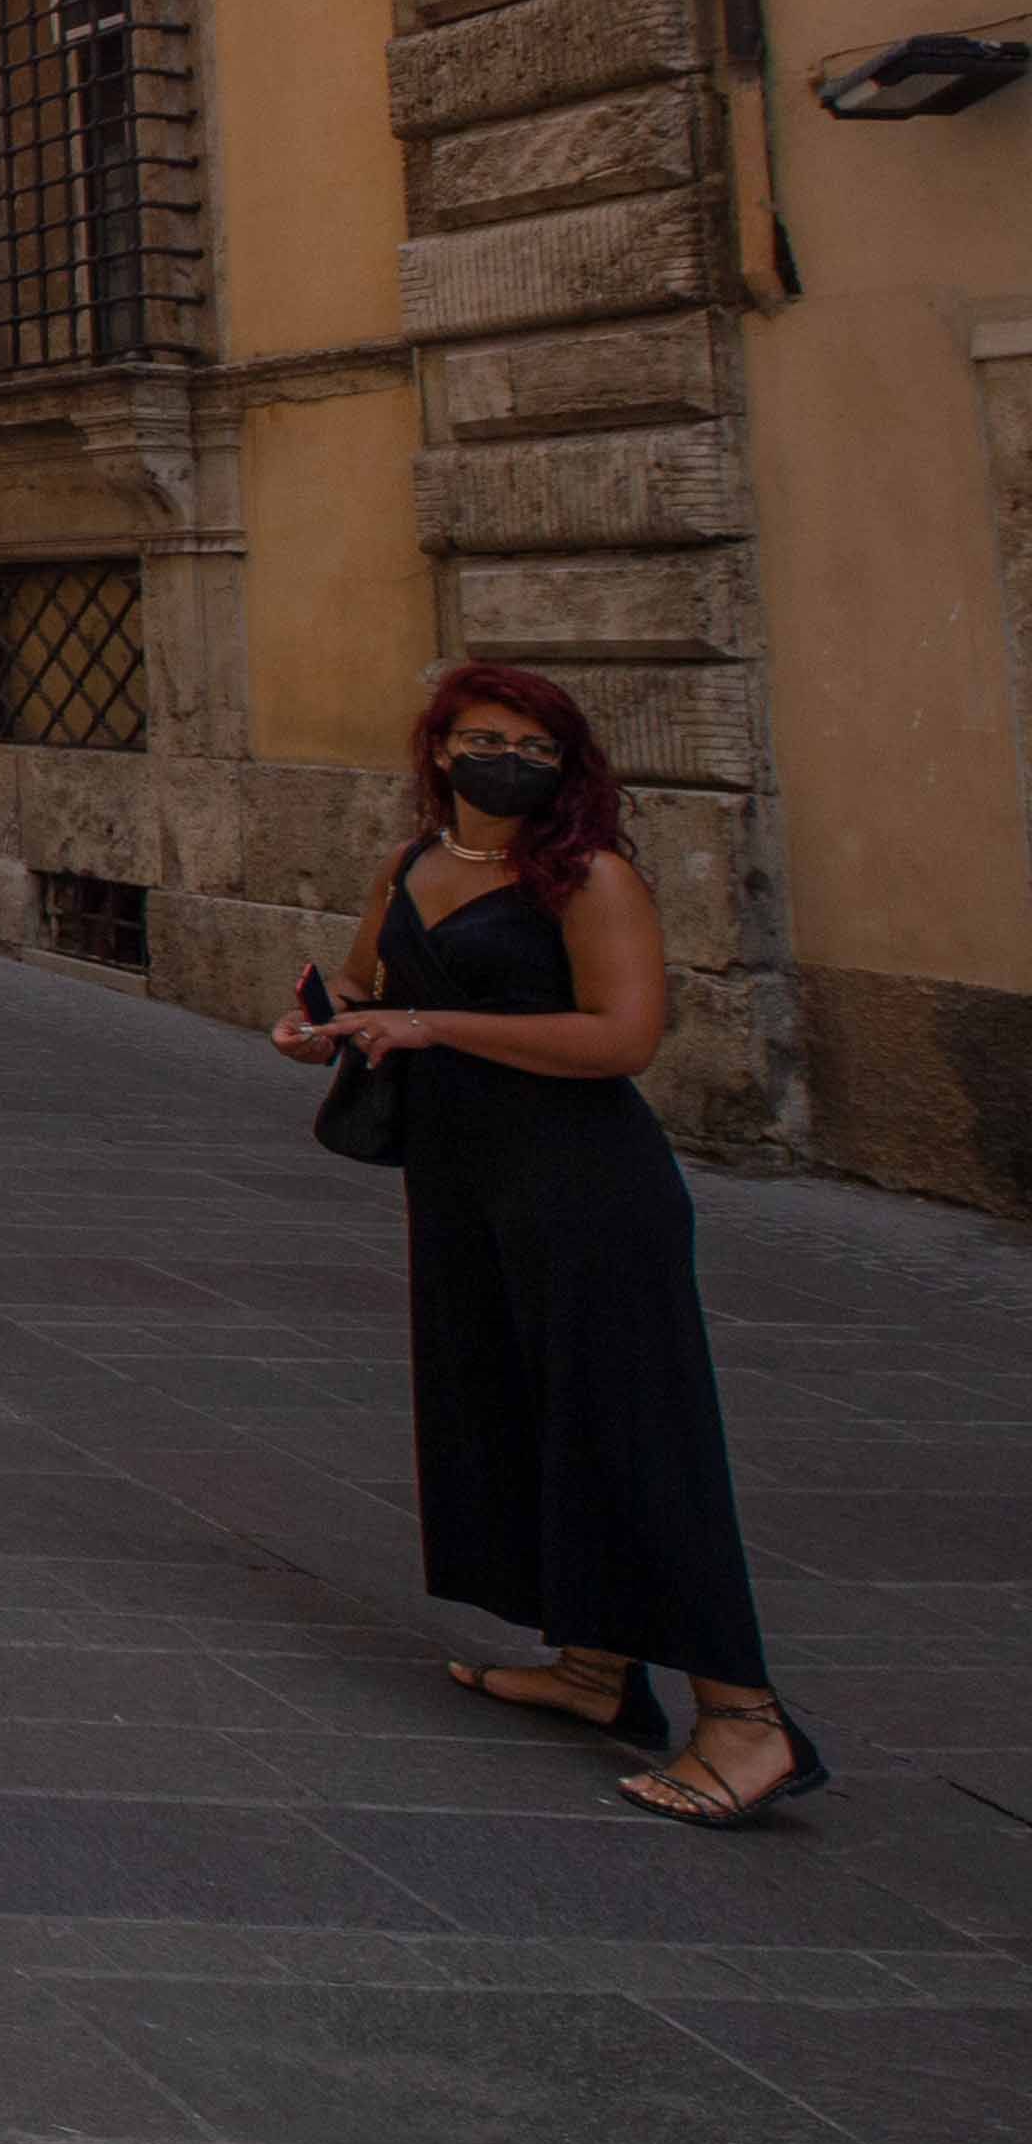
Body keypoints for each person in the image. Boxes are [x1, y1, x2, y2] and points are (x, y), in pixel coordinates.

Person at [271, 661, 817, 1832]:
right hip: (463, 1187)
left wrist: (430, 1024)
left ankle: (744, 1718)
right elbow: (363, 978)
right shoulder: (411, 865)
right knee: (517, 1413)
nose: (504, 760)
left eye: (531, 746)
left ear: (565, 767)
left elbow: (621, 1039)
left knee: (633, 1431)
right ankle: (590, 1665)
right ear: (437, 749)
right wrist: (322, 1024)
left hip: (584, 1187)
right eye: (481, 738)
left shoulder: (586, 876)